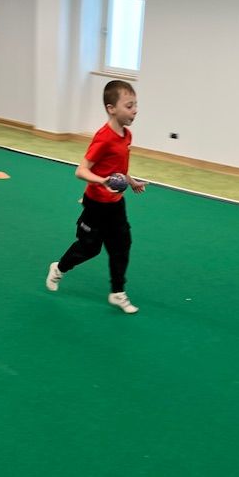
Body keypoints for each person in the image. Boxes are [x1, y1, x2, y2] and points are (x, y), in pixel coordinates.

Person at [46, 80, 146, 313]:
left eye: (135, 105)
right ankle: (59, 268)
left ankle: (117, 292)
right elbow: (81, 170)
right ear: (112, 109)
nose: (135, 110)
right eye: (129, 106)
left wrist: (131, 182)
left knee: (122, 245)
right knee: (90, 248)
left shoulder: (127, 136)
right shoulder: (104, 138)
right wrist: (102, 181)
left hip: (116, 203)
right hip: (96, 204)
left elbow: (119, 169)